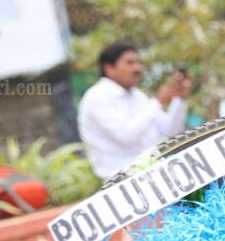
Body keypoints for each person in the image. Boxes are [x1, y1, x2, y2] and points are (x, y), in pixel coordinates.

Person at [79, 42, 191, 179]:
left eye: (138, 62)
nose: (138, 68)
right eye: (130, 63)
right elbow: (126, 135)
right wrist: (158, 101)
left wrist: (179, 98)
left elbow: (169, 130)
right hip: (123, 182)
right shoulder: (97, 97)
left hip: (155, 173)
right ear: (110, 69)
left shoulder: (137, 96)